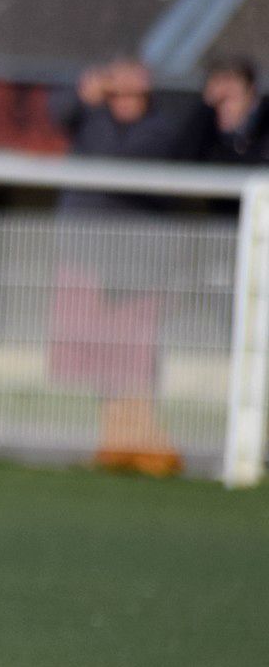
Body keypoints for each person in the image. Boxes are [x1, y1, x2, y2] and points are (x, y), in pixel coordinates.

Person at [47, 59, 216, 477]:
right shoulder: (90, 120)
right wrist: (91, 89)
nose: (126, 101)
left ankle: (146, 440)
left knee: (135, 356)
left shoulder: (162, 130)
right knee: (97, 355)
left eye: (135, 93)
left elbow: (145, 159)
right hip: (89, 255)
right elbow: (58, 111)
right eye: (118, 92)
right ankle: (117, 439)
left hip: (140, 264)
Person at [208, 56, 265, 165]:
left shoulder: (263, 133)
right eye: (217, 101)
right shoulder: (200, 131)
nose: (224, 108)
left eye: (230, 98)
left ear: (251, 95)